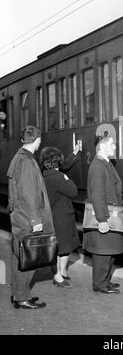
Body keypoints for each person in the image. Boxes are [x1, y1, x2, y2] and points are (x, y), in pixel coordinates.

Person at [7, 125, 54, 309]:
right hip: (26, 217)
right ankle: (22, 297)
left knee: (19, 256)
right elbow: (28, 194)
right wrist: (36, 221)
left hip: (19, 215)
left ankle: (18, 293)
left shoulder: (18, 157)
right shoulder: (26, 161)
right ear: (38, 140)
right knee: (29, 257)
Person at [82, 132, 123, 294]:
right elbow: (97, 195)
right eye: (112, 144)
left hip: (111, 213)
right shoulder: (98, 166)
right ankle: (99, 283)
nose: (115, 147)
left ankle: (106, 280)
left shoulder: (106, 163)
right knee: (103, 251)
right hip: (105, 214)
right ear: (102, 146)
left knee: (110, 250)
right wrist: (102, 219)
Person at [39, 147, 80, 288]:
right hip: (61, 217)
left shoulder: (45, 176)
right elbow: (73, 191)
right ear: (57, 161)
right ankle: (58, 276)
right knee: (62, 247)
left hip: (55, 217)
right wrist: (66, 177)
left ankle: (62, 271)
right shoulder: (58, 177)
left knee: (62, 246)